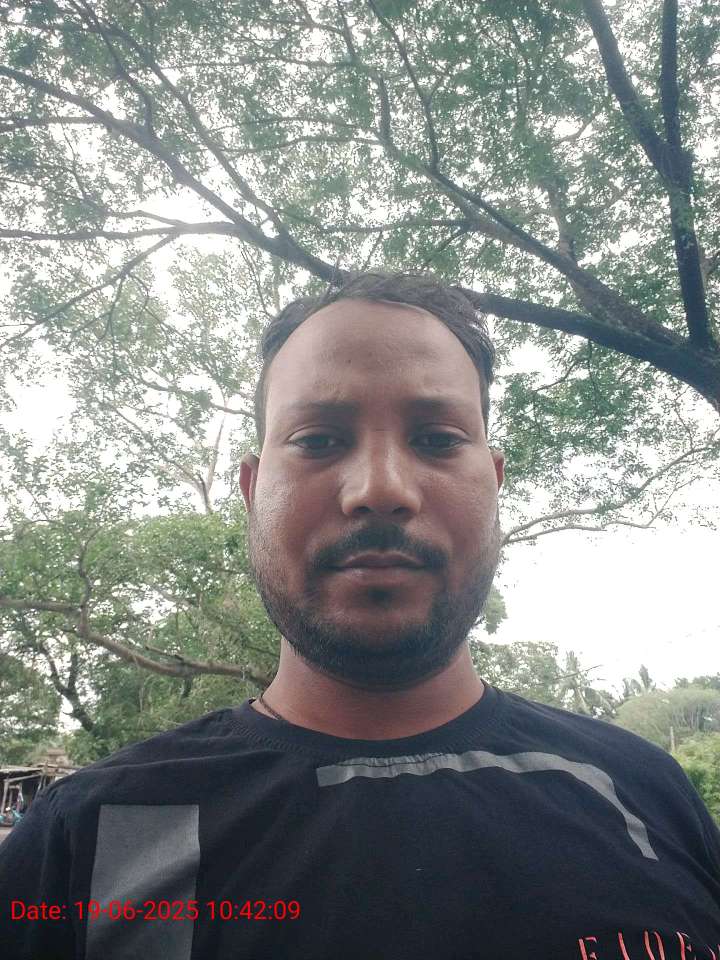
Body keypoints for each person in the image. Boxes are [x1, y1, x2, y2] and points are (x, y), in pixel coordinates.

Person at [0, 270, 718, 960]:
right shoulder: (91, 836)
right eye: (318, 439)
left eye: (437, 439)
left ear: (494, 483)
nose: (380, 488)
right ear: (252, 489)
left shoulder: (642, 793)